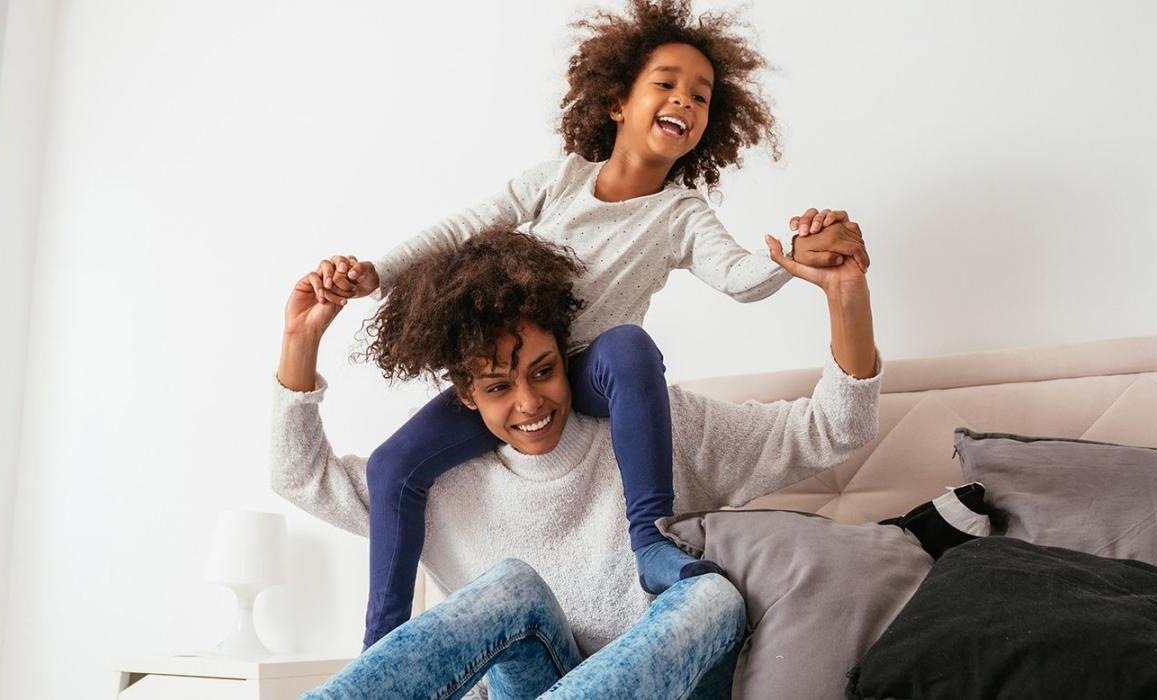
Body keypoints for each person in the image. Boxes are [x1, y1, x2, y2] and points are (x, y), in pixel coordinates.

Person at [308, 0, 872, 647]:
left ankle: (650, 541)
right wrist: (375, 274)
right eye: (666, 83)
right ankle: (381, 644)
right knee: (390, 466)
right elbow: (462, 228)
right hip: (525, 368)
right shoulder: (559, 180)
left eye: (700, 95)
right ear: (616, 102)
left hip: (591, 375)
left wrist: (792, 258)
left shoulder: (681, 214)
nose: (684, 100)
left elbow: (739, 275)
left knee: (629, 346)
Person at [272, 228, 879, 697]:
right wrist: (301, 340)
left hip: (670, 685)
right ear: (464, 395)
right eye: (498, 387)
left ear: (567, 355)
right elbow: (301, 477)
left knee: (712, 597)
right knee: (509, 586)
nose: (529, 404)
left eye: (543, 371)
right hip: (538, 679)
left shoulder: (658, 425)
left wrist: (845, 295)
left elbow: (831, 429)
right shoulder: (436, 483)